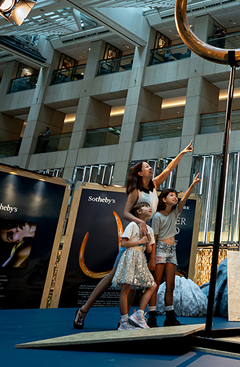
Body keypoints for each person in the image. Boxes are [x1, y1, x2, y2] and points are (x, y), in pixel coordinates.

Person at [73, 141, 194, 329]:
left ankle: (126, 320)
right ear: (140, 173)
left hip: (146, 237)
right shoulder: (135, 191)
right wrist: (140, 222)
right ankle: (84, 309)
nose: (150, 168)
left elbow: (169, 169)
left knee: (133, 281)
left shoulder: (154, 185)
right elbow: (125, 213)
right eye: (146, 166)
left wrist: (183, 152)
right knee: (113, 276)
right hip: (135, 234)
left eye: (150, 166)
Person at [148, 174, 201, 327]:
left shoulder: (174, 213)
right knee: (156, 283)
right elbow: (154, 238)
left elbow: (185, 198)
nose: (175, 197)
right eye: (171, 195)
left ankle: (169, 317)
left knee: (170, 285)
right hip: (160, 250)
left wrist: (192, 185)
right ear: (164, 199)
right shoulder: (157, 217)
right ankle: (152, 317)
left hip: (172, 251)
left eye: (175, 195)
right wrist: (152, 258)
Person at [112, 202, 157, 330]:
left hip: (141, 258)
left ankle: (139, 314)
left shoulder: (150, 229)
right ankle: (124, 321)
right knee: (125, 288)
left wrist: (147, 241)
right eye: (146, 206)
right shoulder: (132, 225)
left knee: (152, 285)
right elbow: (123, 243)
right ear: (138, 211)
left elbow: (149, 250)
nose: (149, 208)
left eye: (149, 206)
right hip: (130, 256)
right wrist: (140, 241)